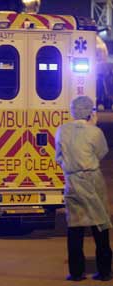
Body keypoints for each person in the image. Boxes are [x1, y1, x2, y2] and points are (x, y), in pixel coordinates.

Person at [56, 96, 112, 282]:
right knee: (100, 223)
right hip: (92, 180)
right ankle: (104, 271)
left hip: (72, 181)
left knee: (75, 227)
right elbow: (102, 152)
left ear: (73, 111)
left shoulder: (62, 131)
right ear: (90, 112)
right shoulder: (95, 133)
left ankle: (76, 272)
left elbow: (59, 156)